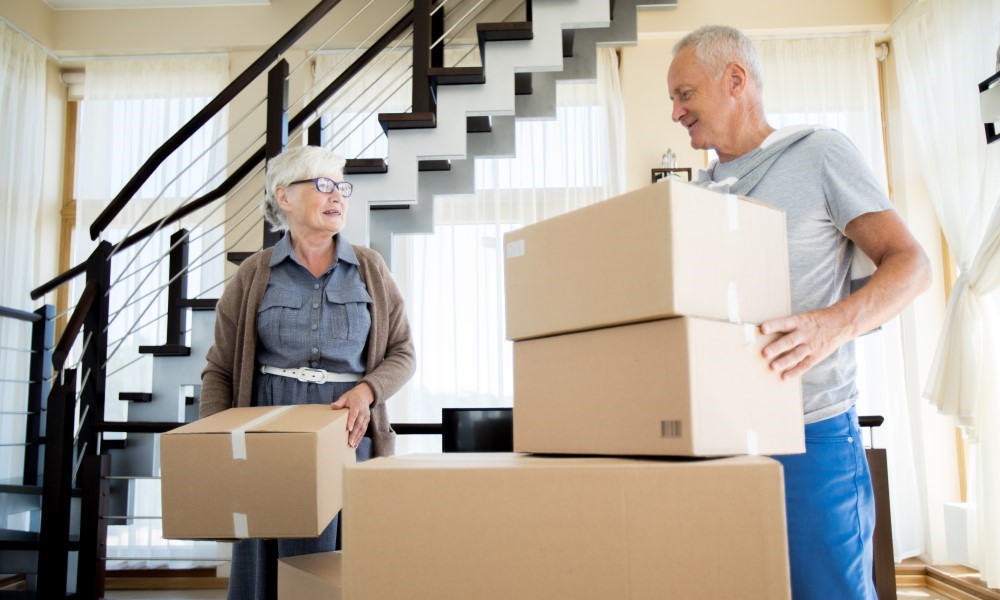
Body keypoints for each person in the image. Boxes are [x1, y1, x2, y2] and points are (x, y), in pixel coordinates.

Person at [667, 25, 931, 600]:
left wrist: (830, 324)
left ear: (734, 79)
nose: (675, 112)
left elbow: (911, 263)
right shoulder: (698, 196)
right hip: (719, 440)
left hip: (809, 437)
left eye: (684, 94)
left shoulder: (819, 154)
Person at [199, 144, 415, 600]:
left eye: (341, 186)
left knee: (337, 568)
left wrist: (367, 391)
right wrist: (218, 444)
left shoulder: (370, 269)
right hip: (266, 436)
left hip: (347, 435)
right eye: (322, 184)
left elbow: (403, 353)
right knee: (269, 563)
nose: (337, 195)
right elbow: (218, 369)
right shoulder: (253, 274)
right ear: (285, 197)